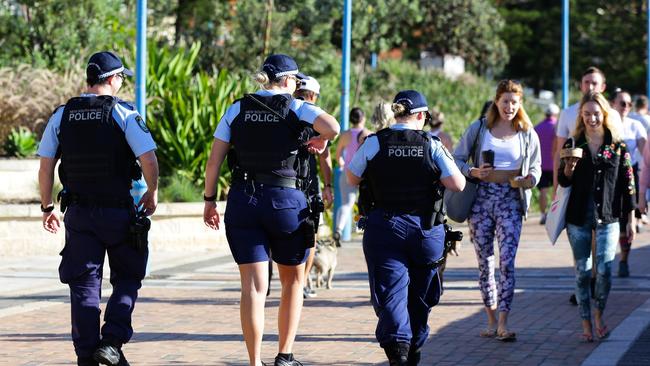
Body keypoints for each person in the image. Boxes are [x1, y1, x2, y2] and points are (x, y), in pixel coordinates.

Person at [202, 54, 339, 366]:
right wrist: (319, 138)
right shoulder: (298, 107)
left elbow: (214, 161)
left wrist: (209, 200)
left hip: (243, 200)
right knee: (292, 281)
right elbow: (333, 125)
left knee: (252, 286)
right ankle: (284, 355)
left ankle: (254, 361)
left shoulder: (237, 108)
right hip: (286, 201)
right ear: (290, 81)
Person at [37, 51, 159, 366]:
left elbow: (46, 166)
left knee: (83, 283)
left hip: (78, 214)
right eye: (120, 77)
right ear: (112, 78)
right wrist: (153, 192)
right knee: (129, 276)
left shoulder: (62, 114)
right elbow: (148, 159)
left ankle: (86, 355)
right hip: (119, 212)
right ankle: (112, 341)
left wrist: (47, 206)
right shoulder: (124, 113)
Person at [346, 90, 465, 365]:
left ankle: (398, 349)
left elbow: (352, 178)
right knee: (421, 297)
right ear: (422, 115)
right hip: (425, 230)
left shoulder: (375, 142)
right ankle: (414, 347)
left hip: (384, 228)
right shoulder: (431, 144)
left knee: (390, 293)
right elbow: (457, 184)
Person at [454, 80, 541, 342]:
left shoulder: (527, 131)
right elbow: (456, 158)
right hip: (481, 199)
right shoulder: (480, 128)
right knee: (485, 263)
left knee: (507, 262)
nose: (509, 107)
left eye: (514, 102)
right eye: (505, 101)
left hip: (511, 199)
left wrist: (529, 180)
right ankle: (491, 319)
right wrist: (473, 172)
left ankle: (504, 321)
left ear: (520, 104)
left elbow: (536, 167)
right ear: (497, 101)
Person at [558, 91, 636, 342]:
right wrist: (568, 169)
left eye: (596, 113)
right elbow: (562, 179)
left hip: (609, 216)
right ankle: (585, 322)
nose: (592, 118)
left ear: (604, 114)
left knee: (604, 270)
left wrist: (631, 219)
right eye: (587, 113)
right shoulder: (573, 142)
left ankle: (599, 314)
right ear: (581, 114)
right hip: (578, 216)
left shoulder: (617, 144)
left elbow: (628, 183)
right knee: (583, 271)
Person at [293, 75, 334, 298]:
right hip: (308, 184)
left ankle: (296, 281)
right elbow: (325, 157)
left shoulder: (286, 112)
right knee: (310, 237)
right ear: (313, 95)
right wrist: (328, 186)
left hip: (283, 183)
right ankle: (302, 282)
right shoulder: (317, 117)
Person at [612, 90, 646, 277]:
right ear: (613, 104)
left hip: (629, 175)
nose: (625, 107)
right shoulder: (608, 124)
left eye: (628, 104)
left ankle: (624, 259)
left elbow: (645, 151)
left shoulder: (635, 125)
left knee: (627, 219)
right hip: (610, 176)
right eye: (622, 103)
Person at [333, 107, 370, 245]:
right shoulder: (368, 134)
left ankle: (338, 229)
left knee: (346, 204)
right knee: (367, 203)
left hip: (348, 171)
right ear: (363, 118)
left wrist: (343, 164)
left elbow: (338, 155)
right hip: (365, 173)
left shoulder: (345, 134)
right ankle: (363, 229)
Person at [534, 103, 559, 225]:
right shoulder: (557, 127)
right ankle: (555, 215)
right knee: (557, 190)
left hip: (541, 165)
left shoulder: (537, 127)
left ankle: (543, 215)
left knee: (542, 191)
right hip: (555, 164)